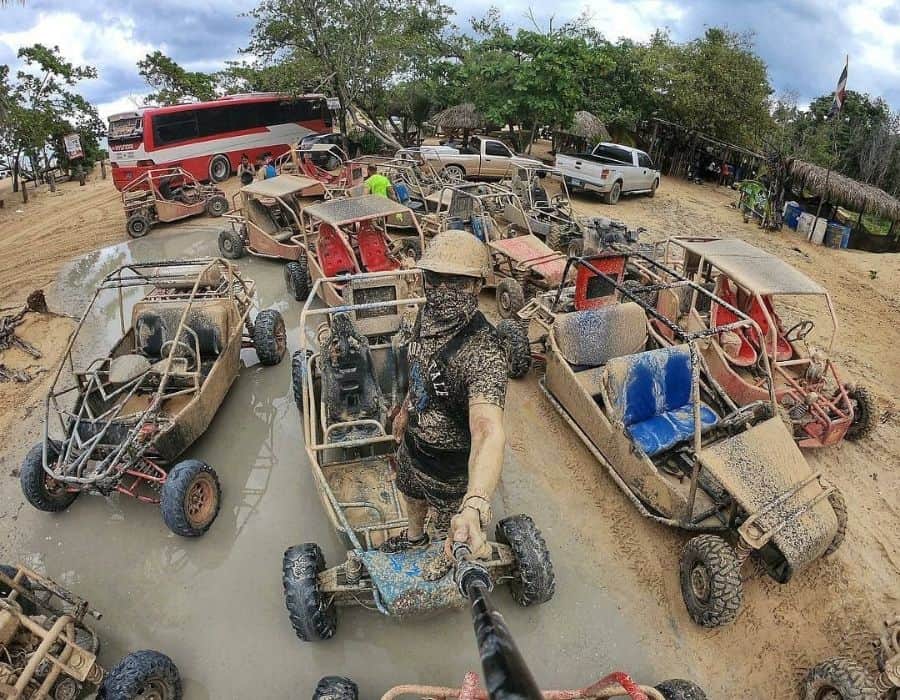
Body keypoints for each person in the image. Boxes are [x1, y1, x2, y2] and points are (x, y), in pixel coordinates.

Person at [383, 230, 507, 560]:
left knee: (454, 528)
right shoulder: (423, 317)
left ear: (478, 285)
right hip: (414, 447)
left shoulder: (484, 352)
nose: (441, 291)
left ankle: (442, 555)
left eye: (456, 282)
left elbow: (487, 429)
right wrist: (406, 410)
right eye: (434, 279)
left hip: (452, 471)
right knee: (411, 495)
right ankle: (414, 540)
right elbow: (419, 367)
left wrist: (476, 503)